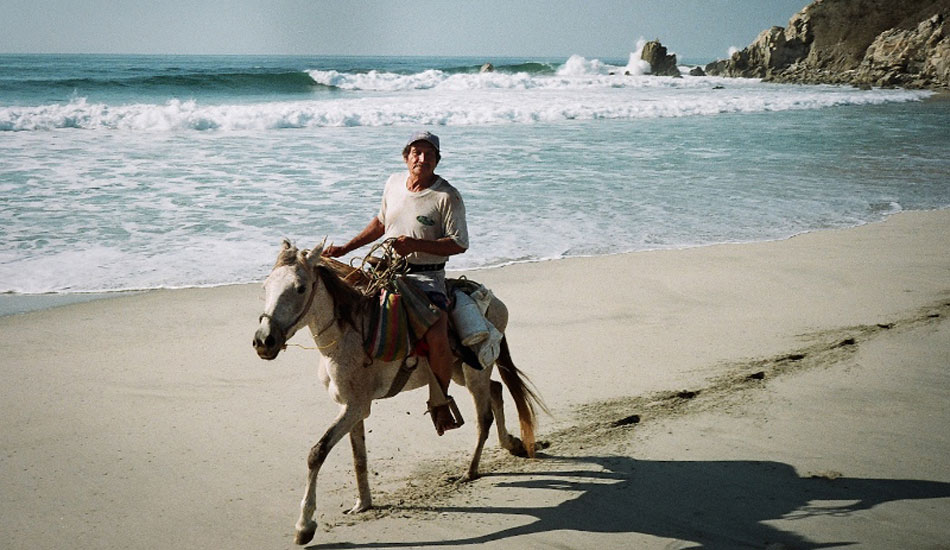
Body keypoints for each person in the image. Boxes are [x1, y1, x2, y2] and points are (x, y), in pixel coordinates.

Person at [323, 130, 468, 436]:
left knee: (438, 330)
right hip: (385, 268)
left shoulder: (447, 196)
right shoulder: (393, 183)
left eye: (429, 154)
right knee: (337, 290)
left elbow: (458, 243)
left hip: (425, 277)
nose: (422, 159)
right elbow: (380, 223)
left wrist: (416, 245)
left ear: (437, 161)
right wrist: (345, 249)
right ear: (406, 157)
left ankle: (440, 403)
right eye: (416, 152)